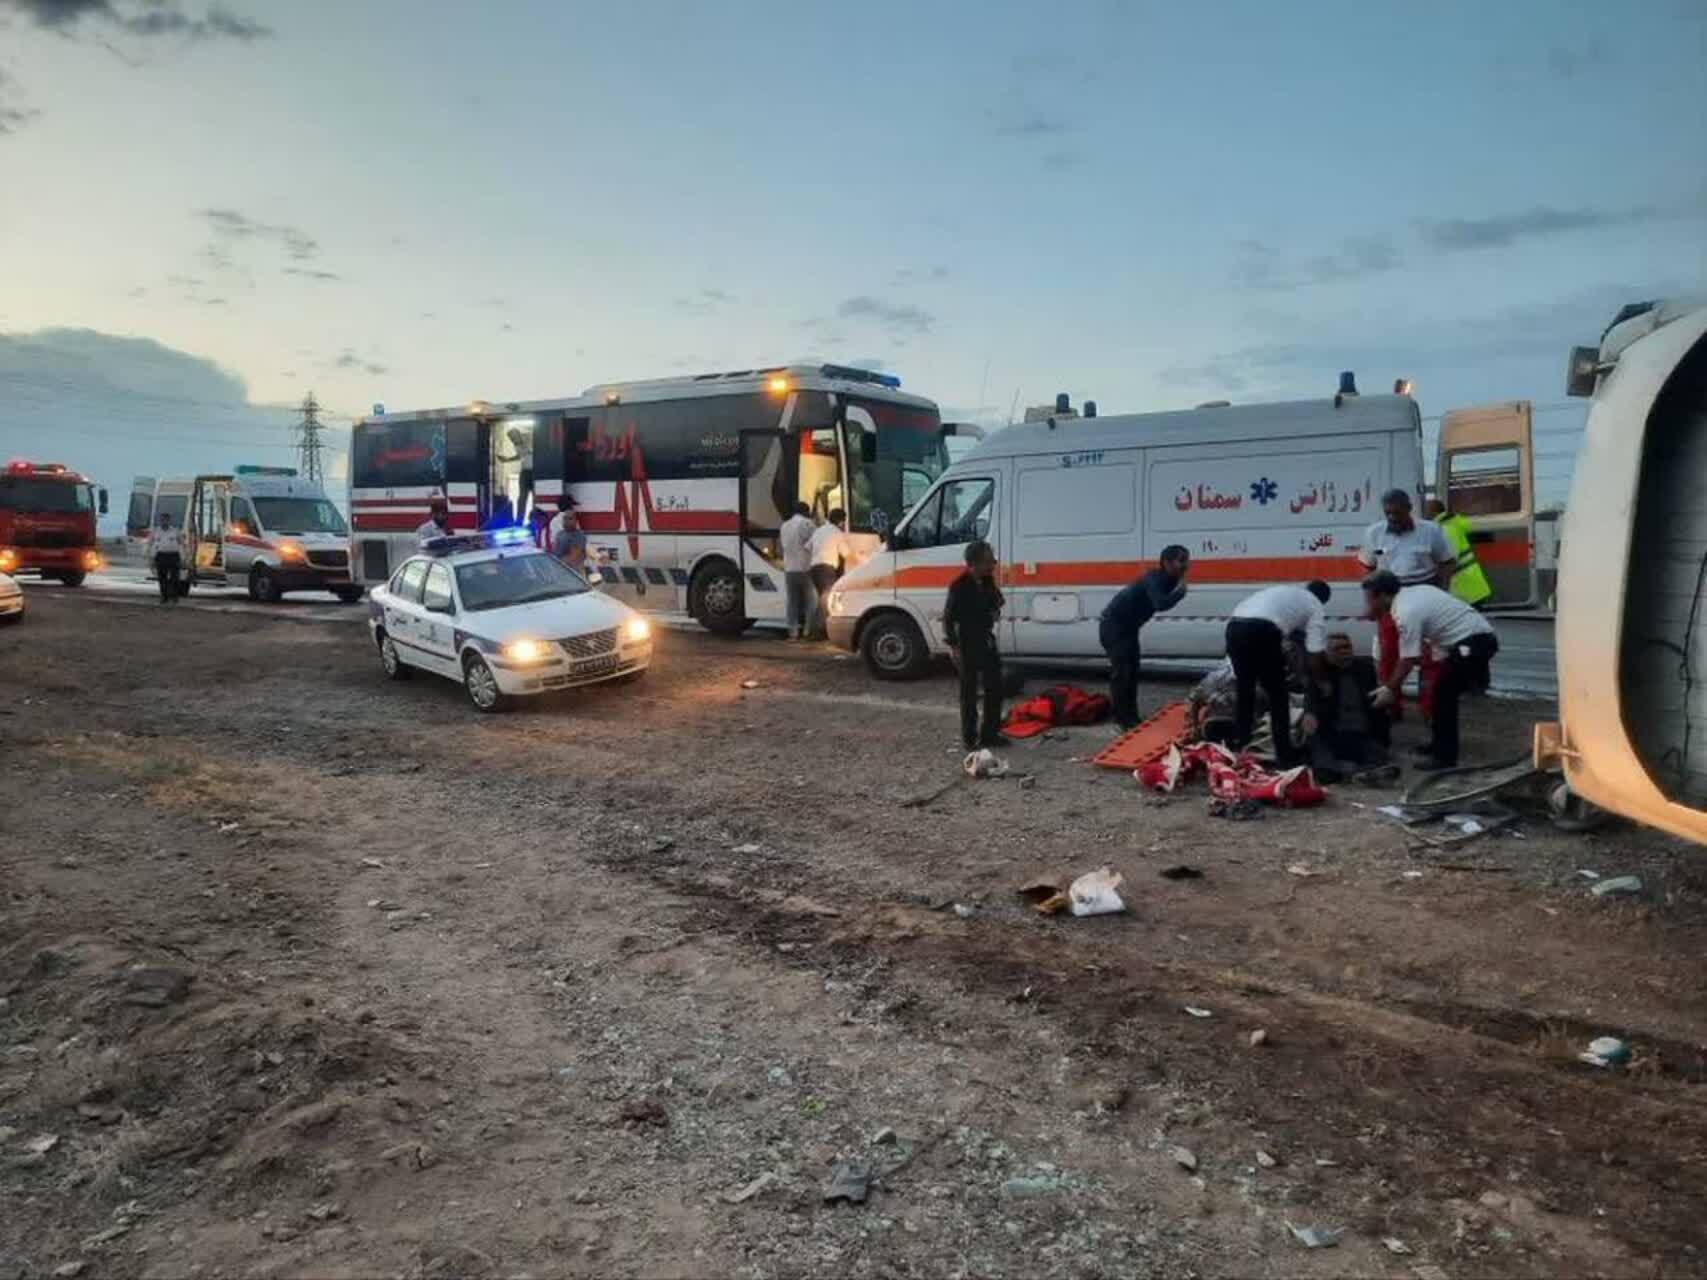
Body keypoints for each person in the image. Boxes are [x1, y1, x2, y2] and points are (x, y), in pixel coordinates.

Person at [1362, 570, 1498, 771]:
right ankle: (1439, 746)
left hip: (1473, 643)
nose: (1367, 604)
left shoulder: (1405, 611)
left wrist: (1389, 689)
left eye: (1368, 599)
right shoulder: (1417, 592)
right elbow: (1418, 651)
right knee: (1439, 695)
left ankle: (1445, 757)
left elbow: (1408, 658)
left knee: (1444, 697)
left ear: (1380, 595)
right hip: (1473, 640)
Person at [1357, 489, 1455, 720]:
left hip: (1425, 595)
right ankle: (1391, 707)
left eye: (1397, 513)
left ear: (1410, 508)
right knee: (1389, 655)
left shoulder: (1430, 531)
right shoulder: (1374, 533)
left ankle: (1430, 710)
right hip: (1391, 598)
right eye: (1388, 513)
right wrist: (1372, 603)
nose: (1392, 518)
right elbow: (1367, 568)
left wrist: (1441, 594)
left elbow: (1447, 563)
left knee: (1431, 658)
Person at [1224, 580, 1330, 766]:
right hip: (1262, 630)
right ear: (1323, 600)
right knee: (1278, 695)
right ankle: (1284, 755)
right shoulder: (1315, 606)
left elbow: (1296, 640)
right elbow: (1315, 653)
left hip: (1234, 626)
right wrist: (1321, 681)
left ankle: (1239, 747)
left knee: (1245, 691)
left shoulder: (1287, 593)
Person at [1099, 546, 1190, 730]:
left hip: (1129, 629)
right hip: (1114, 627)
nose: (1185, 565)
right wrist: (1179, 594)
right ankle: (1122, 720)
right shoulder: (1155, 578)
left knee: (1132, 672)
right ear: (1166, 563)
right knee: (1122, 674)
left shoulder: (1171, 578)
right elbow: (1160, 603)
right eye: (1181, 560)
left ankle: (1131, 717)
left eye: (1186, 560)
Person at [943, 539, 1007, 750]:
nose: (993, 565)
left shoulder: (987, 581)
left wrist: (995, 607)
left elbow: (997, 601)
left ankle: (990, 734)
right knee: (969, 693)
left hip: (986, 640)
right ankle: (970, 738)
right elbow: (948, 619)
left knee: (995, 688)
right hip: (967, 642)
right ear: (974, 563)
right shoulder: (959, 586)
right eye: (989, 561)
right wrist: (954, 647)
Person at [1423, 497, 1493, 608]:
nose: (1423, 516)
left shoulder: (1446, 529)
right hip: (1472, 589)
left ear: (1434, 513)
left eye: (1425, 512)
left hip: (1466, 591)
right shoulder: (1452, 524)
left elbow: (1448, 560)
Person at [807, 507, 851, 641]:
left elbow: (807, 547)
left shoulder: (819, 530)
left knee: (823, 598)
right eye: (844, 521)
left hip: (814, 568)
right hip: (826, 569)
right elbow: (846, 553)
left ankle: (821, 630)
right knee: (826, 599)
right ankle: (815, 632)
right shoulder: (837, 533)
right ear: (840, 521)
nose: (844, 524)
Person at [780, 501, 815, 640]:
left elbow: (783, 546)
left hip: (789, 568)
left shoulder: (784, 525)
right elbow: (813, 542)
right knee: (811, 600)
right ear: (806, 512)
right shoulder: (807, 523)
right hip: (805, 568)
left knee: (792, 601)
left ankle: (793, 632)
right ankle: (808, 631)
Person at [148, 511, 183, 605]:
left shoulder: (175, 531)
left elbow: (181, 544)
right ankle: (164, 597)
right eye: (162, 520)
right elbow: (151, 545)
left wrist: (182, 558)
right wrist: (151, 558)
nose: (164, 522)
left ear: (169, 521)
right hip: (160, 556)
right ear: (160, 521)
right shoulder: (155, 531)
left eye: (166, 520)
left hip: (173, 556)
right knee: (162, 578)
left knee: (175, 578)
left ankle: (175, 597)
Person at [548, 496, 589, 571]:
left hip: (559, 559)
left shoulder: (553, 521)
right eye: (572, 506)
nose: (573, 508)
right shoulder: (571, 519)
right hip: (571, 562)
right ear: (568, 506)